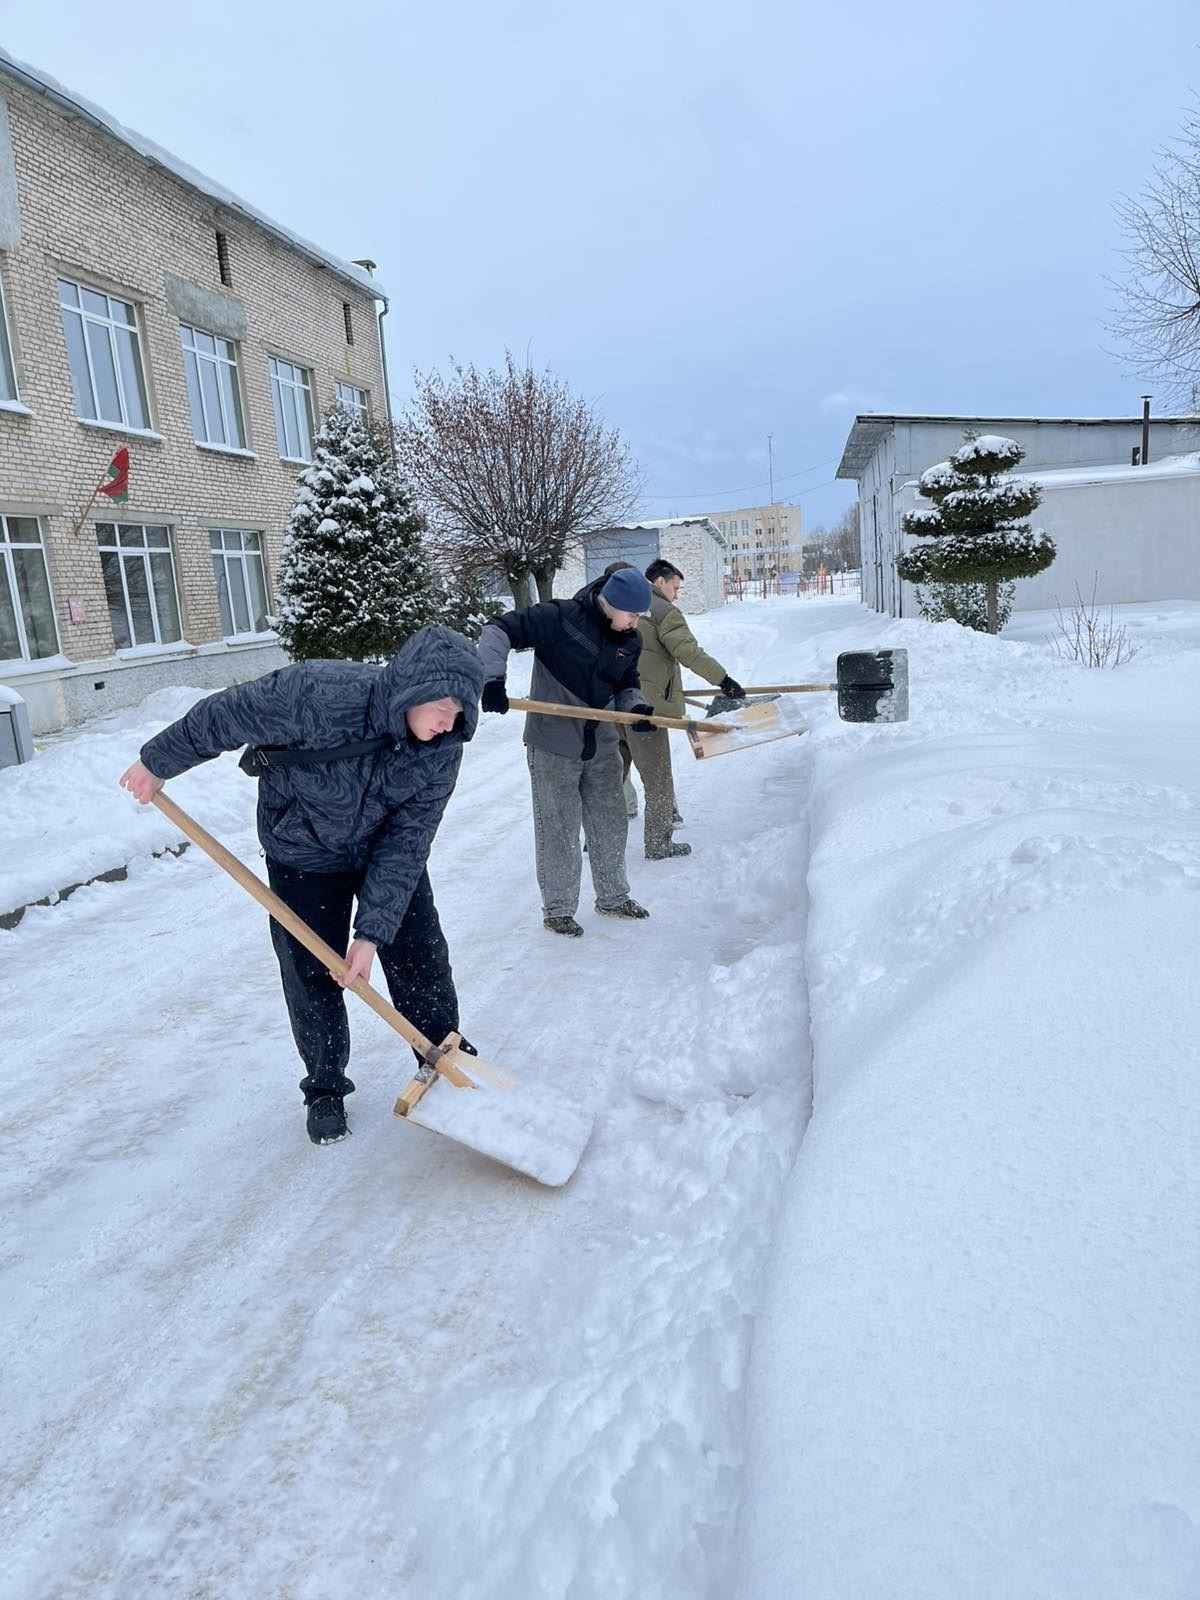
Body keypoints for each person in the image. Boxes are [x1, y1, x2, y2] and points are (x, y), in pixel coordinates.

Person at [118, 624, 486, 1146]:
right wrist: (158, 762)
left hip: (381, 851)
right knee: (310, 970)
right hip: (302, 850)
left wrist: (370, 936)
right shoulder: (317, 693)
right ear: (412, 689)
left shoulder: (444, 746)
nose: (449, 722)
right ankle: (325, 1087)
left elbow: (409, 840)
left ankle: (442, 1056)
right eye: (442, 707)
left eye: (460, 711)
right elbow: (224, 716)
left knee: (420, 953)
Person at [477, 567, 654, 937]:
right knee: (558, 828)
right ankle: (558, 910)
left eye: (640, 616)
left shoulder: (630, 640)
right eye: (632, 614)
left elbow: (627, 683)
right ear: (611, 602)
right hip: (553, 742)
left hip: (601, 741)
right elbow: (498, 629)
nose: (635, 623)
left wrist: (635, 709)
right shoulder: (559, 618)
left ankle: (613, 898)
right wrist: (492, 680)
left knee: (611, 820)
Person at [624, 559, 744, 861]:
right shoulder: (663, 610)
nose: (676, 595)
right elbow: (688, 651)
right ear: (659, 582)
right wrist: (723, 680)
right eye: (675, 588)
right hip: (645, 709)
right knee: (658, 781)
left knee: (611, 778)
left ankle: (600, 842)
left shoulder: (622, 604)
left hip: (612, 705)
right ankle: (659, 844)